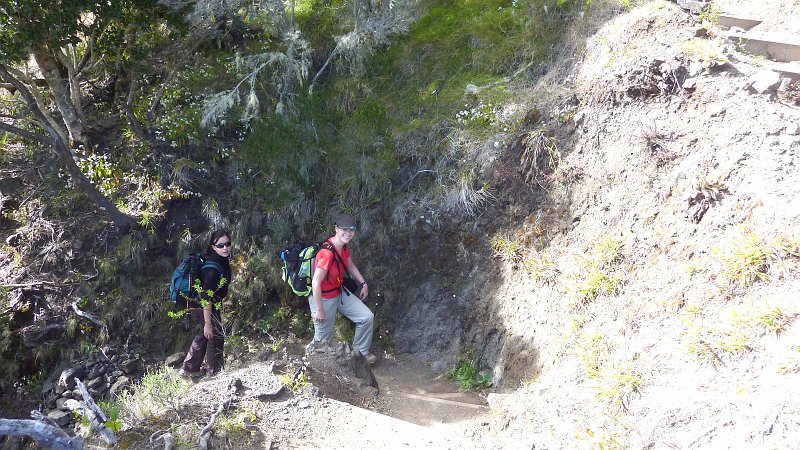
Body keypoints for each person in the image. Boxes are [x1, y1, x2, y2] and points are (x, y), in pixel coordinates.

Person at [309, 213, 376, 364]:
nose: (348, 233)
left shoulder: (343, 247)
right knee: (323, 341)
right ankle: (310, 367)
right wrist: (319, 309)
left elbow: (350, 266)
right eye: (344, 229)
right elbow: (316, 282)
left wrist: (363, 283)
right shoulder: (326, 253)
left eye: (351, 230)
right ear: (336, 229)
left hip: (338, 292)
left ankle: (360, 356)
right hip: (323, 298)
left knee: (366, 317)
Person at [179, 230, 233, 377]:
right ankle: (215, 372)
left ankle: (190, 369)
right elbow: (206, 297)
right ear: (213, 246)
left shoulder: (220, 260)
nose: (225, 248)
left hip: (207, 304)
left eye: (227, 244)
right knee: (214, 335)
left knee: (206, 334)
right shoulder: (211, 268)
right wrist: (208, 322)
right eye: (221, 245)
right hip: (202, 305)